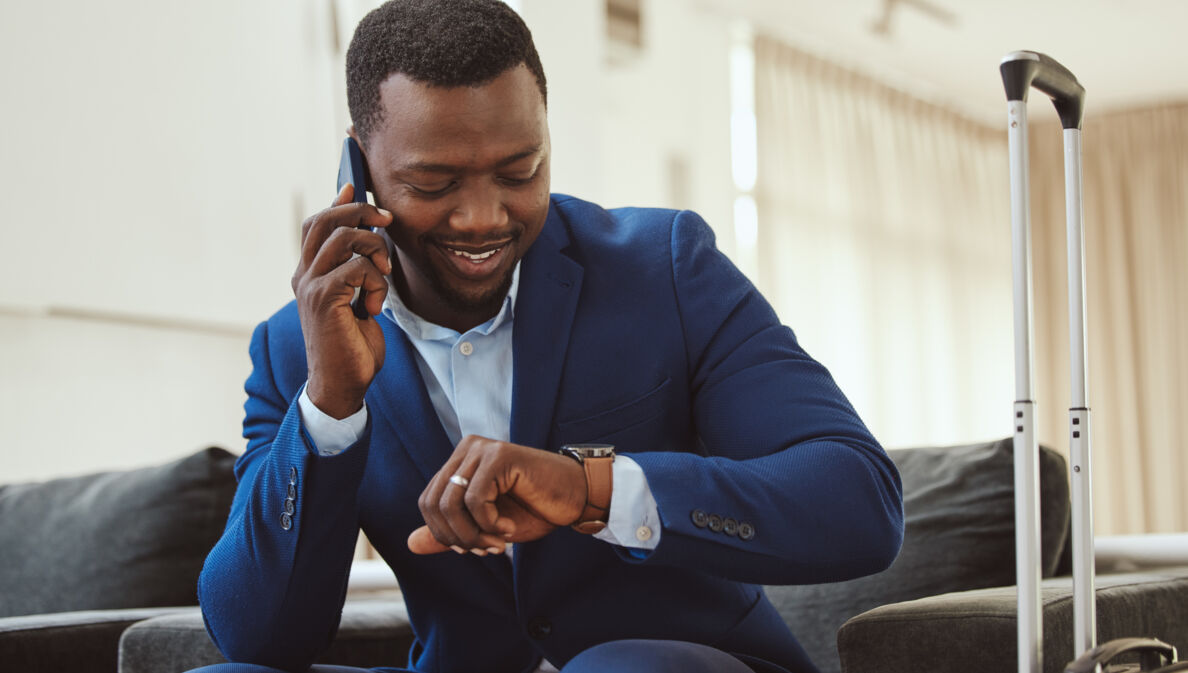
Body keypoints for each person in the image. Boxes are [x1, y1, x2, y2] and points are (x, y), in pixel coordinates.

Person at [193, 1, 904, 672]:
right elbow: (258, 635)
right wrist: (331, 404)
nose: (480, 217)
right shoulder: (298, 347)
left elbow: (859, 501)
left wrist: (592, 490)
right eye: (434, 181)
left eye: (519, 170)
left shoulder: (666, 267)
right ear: (361, 168)